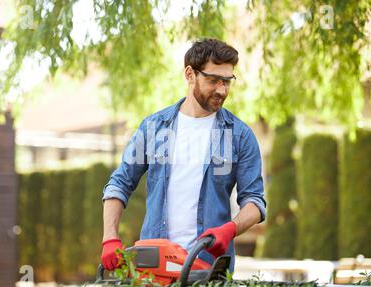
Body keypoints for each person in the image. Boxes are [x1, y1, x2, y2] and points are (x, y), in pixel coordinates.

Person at [101, 38, 266, 273]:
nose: (222, 90)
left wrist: (231, 229)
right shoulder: (154, 128)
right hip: (154, 266)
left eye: (227, 82)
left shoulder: (240, 136)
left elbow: (255, 202)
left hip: (209, 269)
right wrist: (110, 238)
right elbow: (119, 183)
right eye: (213, 80)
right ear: (190, 74)